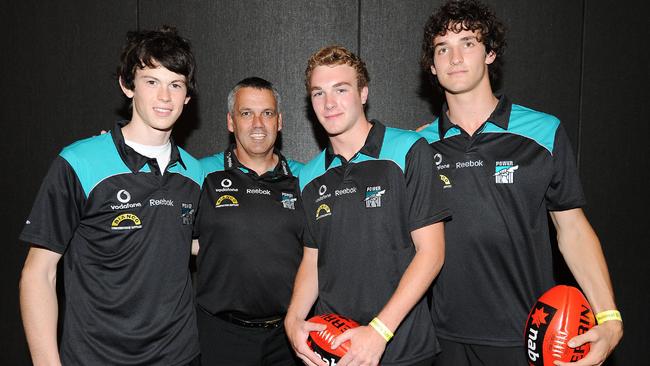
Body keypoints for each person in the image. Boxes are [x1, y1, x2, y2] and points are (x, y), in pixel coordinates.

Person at [417, 1, 623, 365]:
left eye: (468, 42)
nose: (455, 57)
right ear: (432, 66)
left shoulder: (543, 132)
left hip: (530, 335)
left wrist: (608, 315)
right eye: (442, 48)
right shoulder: (417, 147)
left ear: (490, 53)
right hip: (441, 340)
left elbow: (572, 228)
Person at [18, 26, 203, 366]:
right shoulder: (79, 162)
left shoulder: (196, 174)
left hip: (180, 356)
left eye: (175, 84)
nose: (164, 96)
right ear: (127, 85)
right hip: (97, 357)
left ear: (187, 96)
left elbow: (200, 245)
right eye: (151, 81)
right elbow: (39, 273)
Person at [284, 45, 449, 366]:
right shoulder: (309, 175)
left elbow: (432, 253)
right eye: (318, 93)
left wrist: (379, 332)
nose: (329, 103)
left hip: (400, 348)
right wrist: (293, 319)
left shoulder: (409, 150)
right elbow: (312, 259)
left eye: (340, 90)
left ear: (363, 93)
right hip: (332, 348)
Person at [193, 77, 303, 365]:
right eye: (246, 113)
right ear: (231, 122)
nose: (258, 123)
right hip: (220, 335)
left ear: (279, 122)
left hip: (288, 338)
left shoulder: (305, 178)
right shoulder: (200, 174)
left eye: (267, 113)